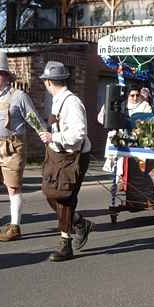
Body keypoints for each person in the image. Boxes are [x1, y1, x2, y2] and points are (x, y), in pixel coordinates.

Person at [0, 52, 45, 242]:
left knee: (13, 187)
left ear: (6, 77)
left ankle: (15, 227)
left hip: (12, 147)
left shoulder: (18, 96)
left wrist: (45, 136)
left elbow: (33, 118)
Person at [38, 61, 93, 262]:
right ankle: (78, 222)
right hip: (57, 154)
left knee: (65, 197)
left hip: (72, 156)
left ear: (50, 82)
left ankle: (65, 243)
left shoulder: (71, 102)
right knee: (50, 192)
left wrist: (55, 138)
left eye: (45, 81)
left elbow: (78, 134)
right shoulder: (58, 99)